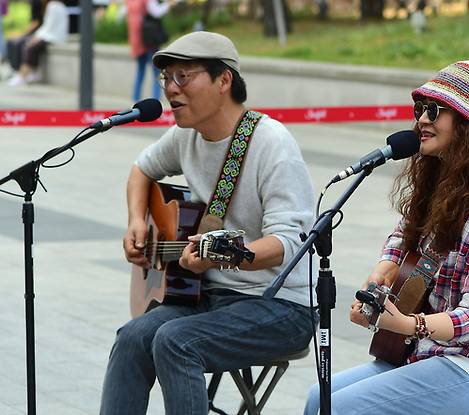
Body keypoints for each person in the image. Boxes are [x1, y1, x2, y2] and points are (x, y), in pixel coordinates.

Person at [305, 60, 469, 415]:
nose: (421, 119)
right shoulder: (446, 184)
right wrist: (385, 269)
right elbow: (404, 233)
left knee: (344, 409)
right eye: (419, 109)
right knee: (320, 400)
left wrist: (405, 324)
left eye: (434, 111)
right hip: (434, 355)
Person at [99, 31, 316, 415]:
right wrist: (136, 221)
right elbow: (140, 170)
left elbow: (288, 245)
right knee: (132, 337)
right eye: (167, 78)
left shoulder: (272, 144)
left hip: (280, 305)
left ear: (223, 80)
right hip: (210, 299)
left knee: (175, 340)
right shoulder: (186, 136)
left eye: (184, 76)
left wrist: (216, 255)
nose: (171, 89)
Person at [7, 0, 68, 86]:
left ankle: (23, 75)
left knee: (30, 47)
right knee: (28, 44)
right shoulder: (56, 5)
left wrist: (36, 37)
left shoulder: (53, 6)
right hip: (52, 35)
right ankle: (28, 72)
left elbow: (49, 26)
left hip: (53, 37)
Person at [126, 0, 173, 102]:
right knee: (157, 73)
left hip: (137, 42)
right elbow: (156, 12)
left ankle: (135, 100)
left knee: (140, 72)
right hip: (150, 41)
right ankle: (155, 101)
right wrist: (168, 4)